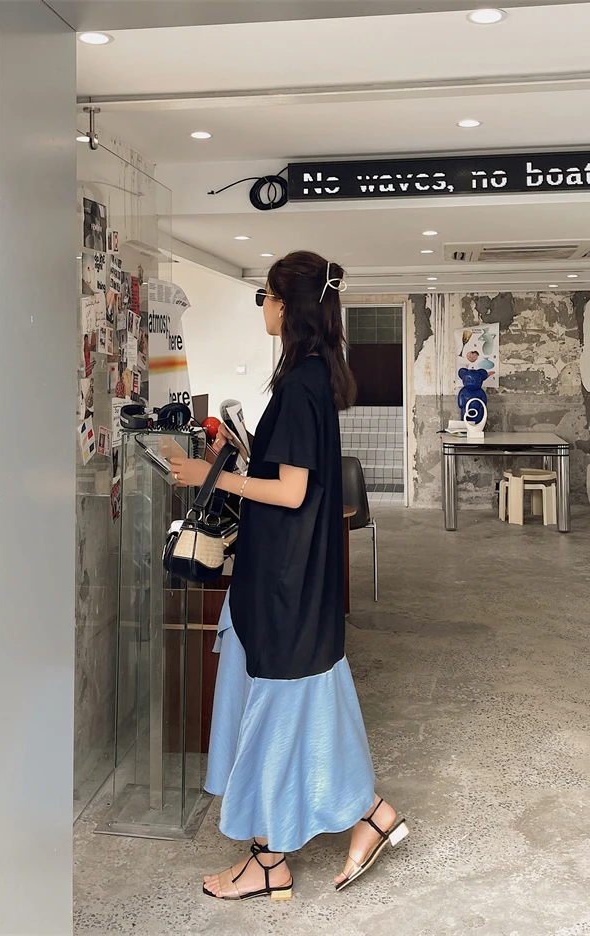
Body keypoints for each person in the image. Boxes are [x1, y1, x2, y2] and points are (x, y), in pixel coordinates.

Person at [168, 251, 408, 902]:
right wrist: (245, 456)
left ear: (289, 307)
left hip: (285, 579)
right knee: (304, 706)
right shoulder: (311, 378)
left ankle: (270, 859)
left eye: (267, 297)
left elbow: (293, 491)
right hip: (291, 577)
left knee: (274, 711)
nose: (264, 308)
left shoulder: (301, 385)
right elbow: (293, 477)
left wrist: (212, 476)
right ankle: (368, 816)